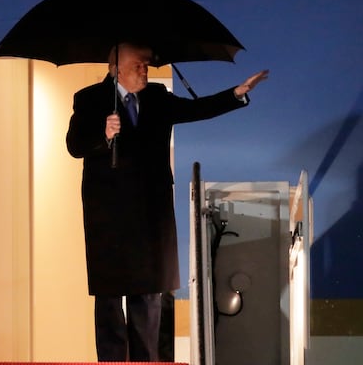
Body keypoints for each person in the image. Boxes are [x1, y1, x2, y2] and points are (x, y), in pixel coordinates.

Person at [66, 42, 268, 362]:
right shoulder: (89, 98)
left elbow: (196, 109)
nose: (145, 69)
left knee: (148, 293)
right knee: (108, 296)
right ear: (116, 68)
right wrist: (103, 134)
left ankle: (147, 360)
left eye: (147, 64)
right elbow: (75, 145)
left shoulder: (158, 97)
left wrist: (237, 93)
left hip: (151, 211)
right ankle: (112, 361)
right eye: (137, 65)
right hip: (108, 214)